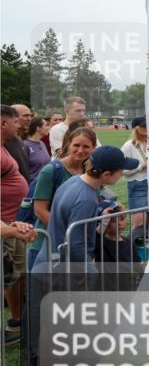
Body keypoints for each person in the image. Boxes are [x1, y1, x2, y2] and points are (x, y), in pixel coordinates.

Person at [34, 146, 137, 269]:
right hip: (62, 272)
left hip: (48, 261)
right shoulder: (86, 199)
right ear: (106, 174)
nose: (122, 174)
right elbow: (75, 246)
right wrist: (90, 272)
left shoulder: (73, 180)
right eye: (120, 171)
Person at [27, 127, 98, 272]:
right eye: (76, 145)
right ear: (68, 145)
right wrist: (67, 233)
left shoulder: (89, 171)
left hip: (71, 247)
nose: (80, 150)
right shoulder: (51, 170)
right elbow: (39, 210)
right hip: (46, 244)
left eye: (86, 147)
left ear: (94, 148)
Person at [1, 105, 30, 343]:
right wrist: (8, 227)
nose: (19, 125)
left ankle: (18, 320)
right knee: (8, 276)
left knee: (16, 274)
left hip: (14, 223)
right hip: (6, 226)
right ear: (3, 124)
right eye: (15, 121)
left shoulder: (6, 147)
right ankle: (15, 322)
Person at [121, 116, 148, 210]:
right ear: (135, 128)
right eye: (144, 125)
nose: (147, 127)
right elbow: (122, 170)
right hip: (137, 184)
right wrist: (141, 167)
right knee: (140, 218)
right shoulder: (128, 145)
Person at [22, 117, 51, 182]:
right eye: (46, 125)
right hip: (31, 185)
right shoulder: (25, 145)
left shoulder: (41, 143)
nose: (48, 128)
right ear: (38, 128)